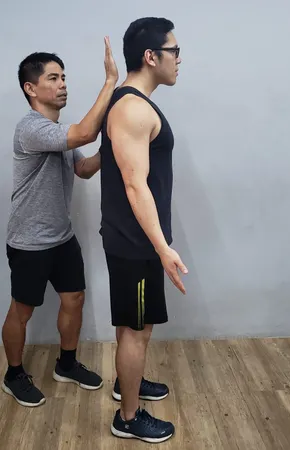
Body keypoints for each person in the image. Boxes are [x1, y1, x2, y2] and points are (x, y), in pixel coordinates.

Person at [1, 37, 119, 408]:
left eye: (64, 76)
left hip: (61, 237)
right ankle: (14, 374)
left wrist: (108, 149)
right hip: (29, 241)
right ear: (31, 88)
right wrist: (110, 83)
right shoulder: (32, 128)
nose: (63, 83)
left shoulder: (58, 133)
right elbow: (83, 132)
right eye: (53, 78)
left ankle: (66, 364)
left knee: (75, 299)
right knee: (22, 311)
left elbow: (82, 168)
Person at [99, 18, 186, 443]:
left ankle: (126, 384)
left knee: (137, 325)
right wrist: (162, 247)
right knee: (134, 330)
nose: (179, 59)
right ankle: (128, 417)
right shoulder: (133, 108)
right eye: (174, 51)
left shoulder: (131, 103)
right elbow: (135, 185)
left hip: (135, 239)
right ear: (151, 57)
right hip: (135, 242)